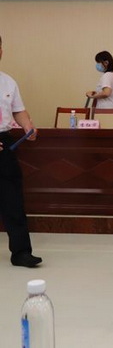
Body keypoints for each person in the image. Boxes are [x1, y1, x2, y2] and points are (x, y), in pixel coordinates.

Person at [0, 34, 41, 268]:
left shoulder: (8, 82)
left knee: (12, 199)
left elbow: (18, 110)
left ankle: (21, 252)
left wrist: (27, 126)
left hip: (4, 142)